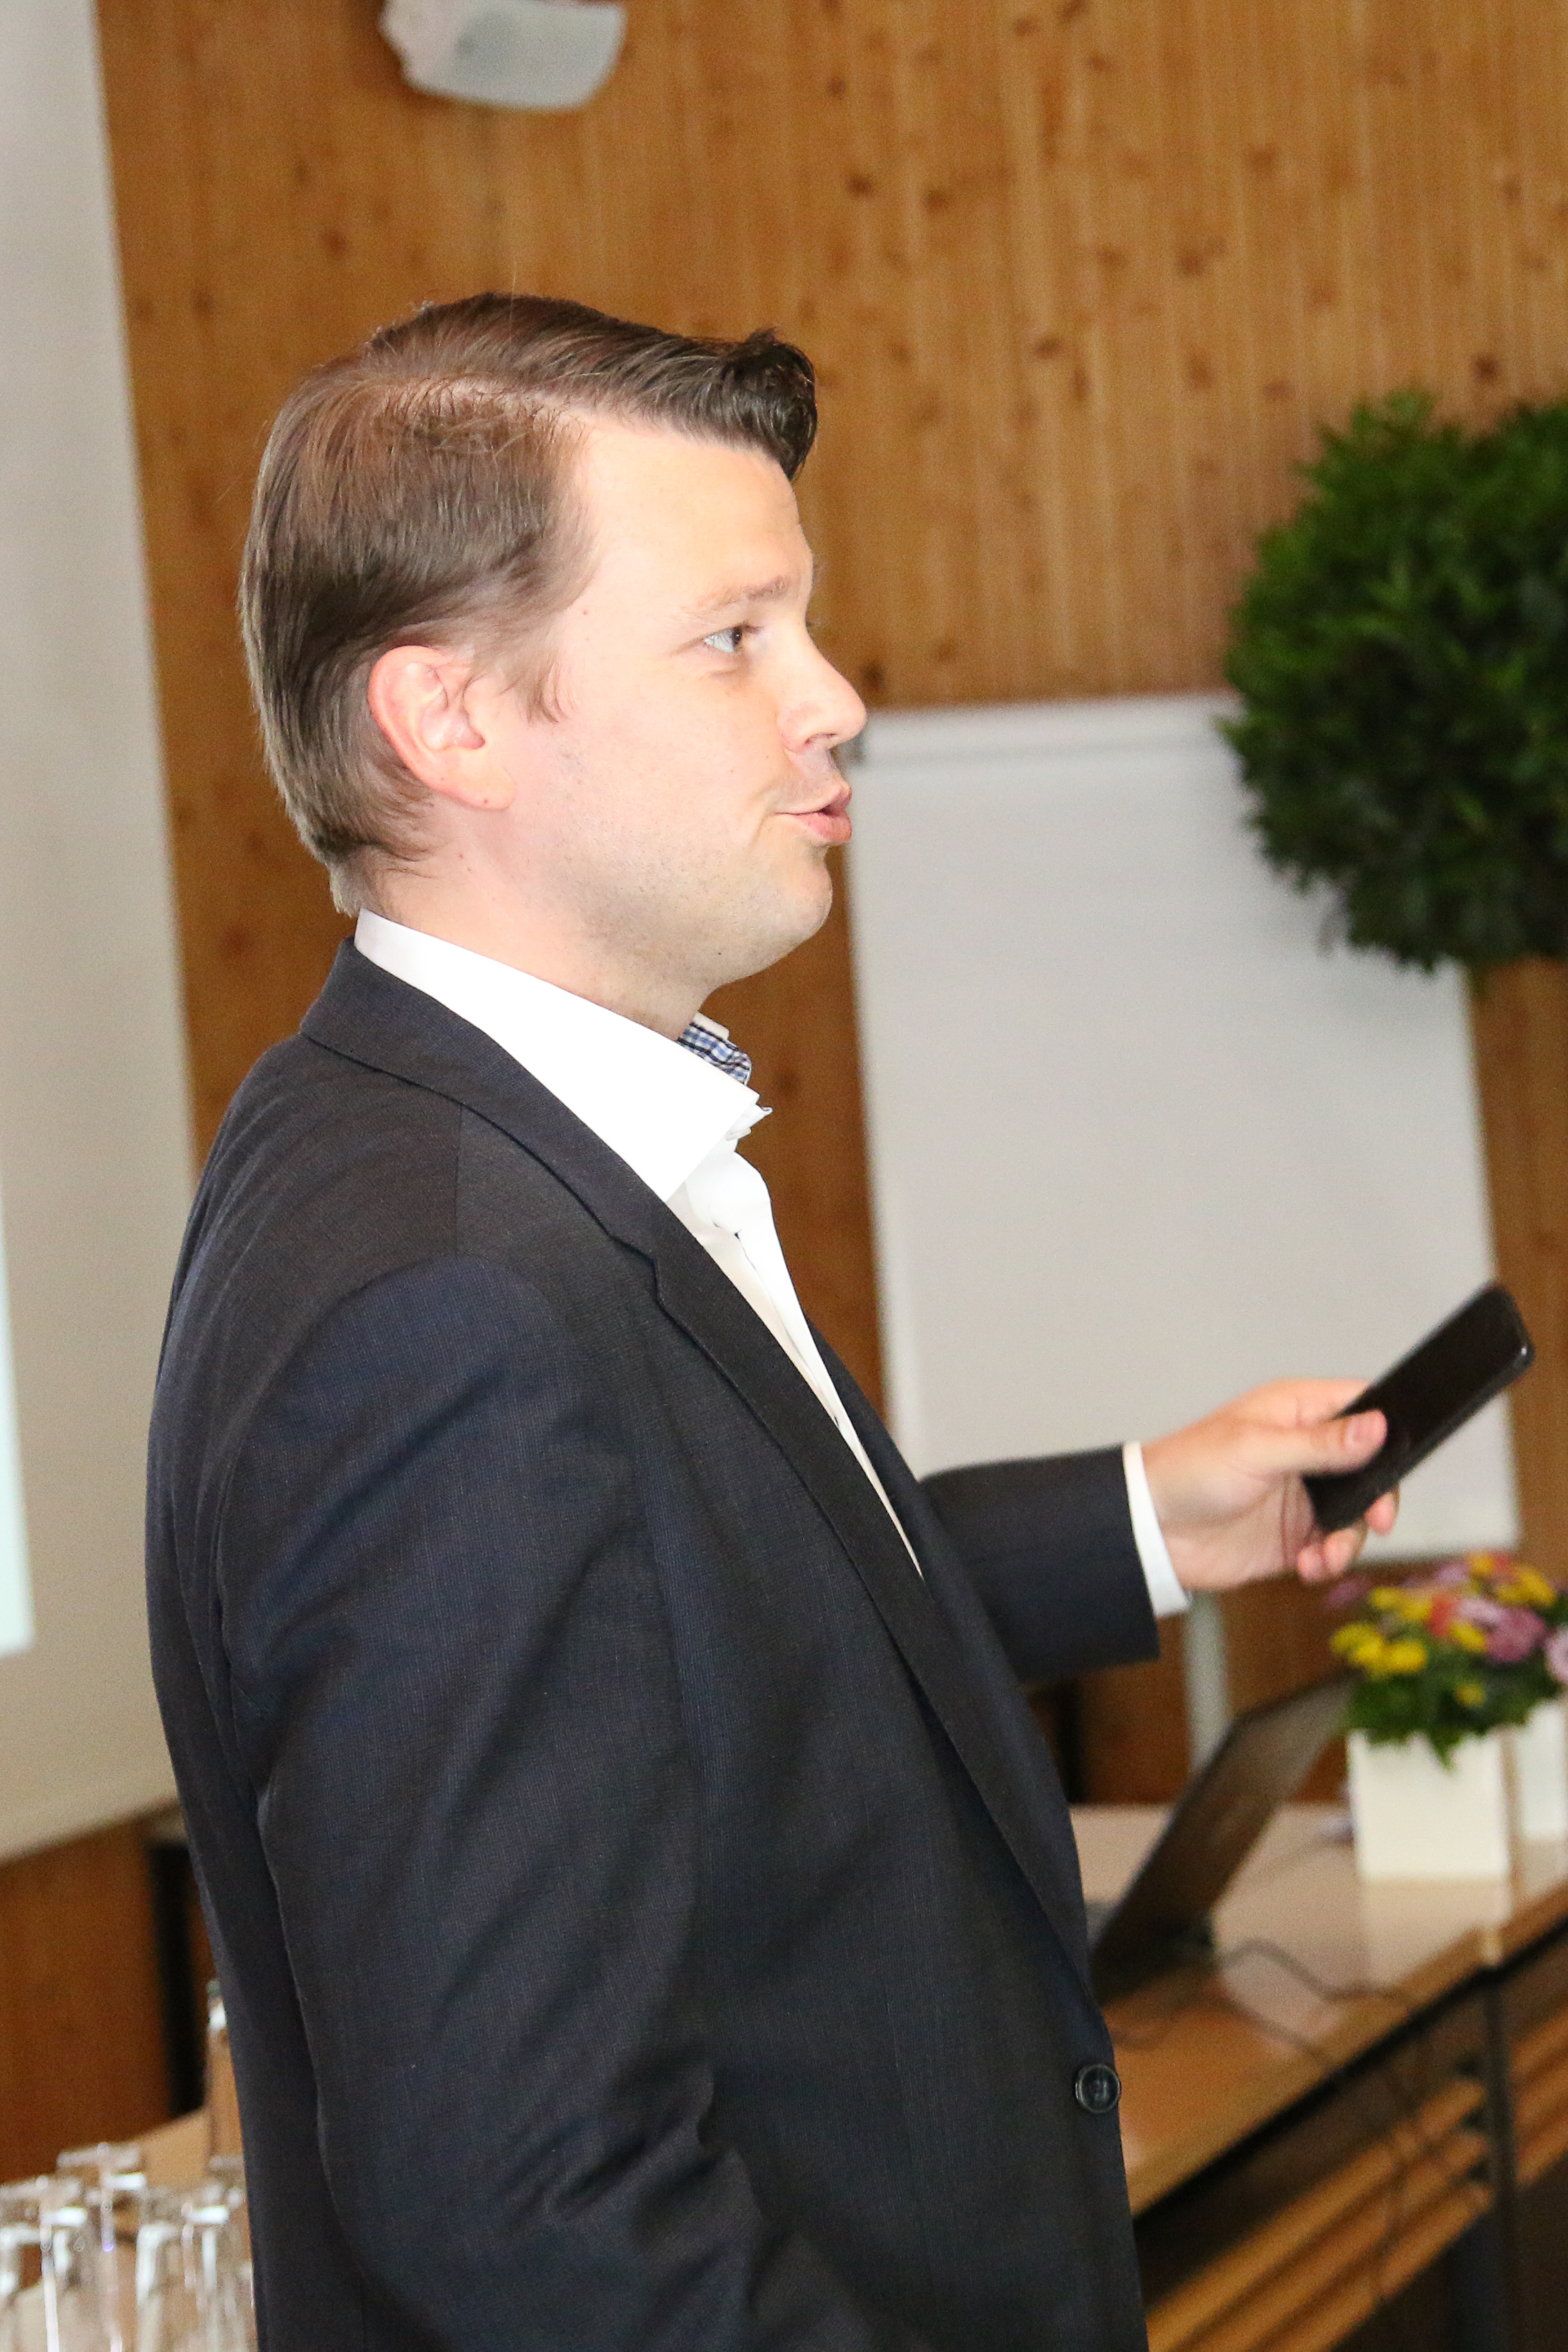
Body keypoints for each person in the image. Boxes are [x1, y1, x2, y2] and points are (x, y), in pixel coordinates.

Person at [146, 294, 1396, 2351]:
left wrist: (1142, 1518)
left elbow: (698, 1639)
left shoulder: (453, 1141)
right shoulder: (444, 1293)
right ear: (451, 721)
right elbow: (535, 2205)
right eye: (733, 638)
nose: (836, 702)